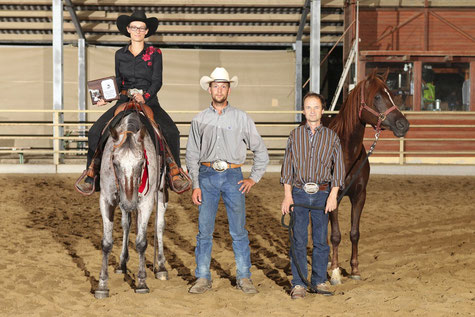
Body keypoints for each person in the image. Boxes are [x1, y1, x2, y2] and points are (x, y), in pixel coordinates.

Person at [76, 10, 185, 194]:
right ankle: (91, 172)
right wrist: (105, 97)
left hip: (148, 100)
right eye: (134, 27)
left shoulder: (155, 53)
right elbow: (118, 81)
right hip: (125, 99)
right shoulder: (120, 54)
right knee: (95, 131)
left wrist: (146, 96)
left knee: (172, 131)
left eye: (141, 28)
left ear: (146, 31)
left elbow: (157, 80)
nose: (137, 31)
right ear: (128, 29)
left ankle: (174, 172)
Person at [185, 67, 269, 294]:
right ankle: (202, 277)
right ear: (209, 89)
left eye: (223, 86)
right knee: (204, 231)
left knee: (238, 231)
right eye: (216, 86)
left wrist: (253, 178)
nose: (219, 90)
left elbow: (261, 151)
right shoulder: (199, 119)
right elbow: (192, 154)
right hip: (206, 176)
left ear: (228, 90)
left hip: (234, 176)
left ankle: (244, 277)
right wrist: (195, 185)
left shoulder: (242, 118)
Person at [280, 92, 345, 300]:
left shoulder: (332, 137)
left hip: (322, 194)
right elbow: (287, 168)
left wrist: (333, 195)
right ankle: (298, 283)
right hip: (299, 192)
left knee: (320, 241)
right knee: (298, 240)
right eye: (308, 107)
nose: (312, 111)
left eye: (316, 107)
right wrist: (287, 196)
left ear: (322, 111)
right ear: (303, 111)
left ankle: (319, 280)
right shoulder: (294, 135)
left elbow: (340, 169)